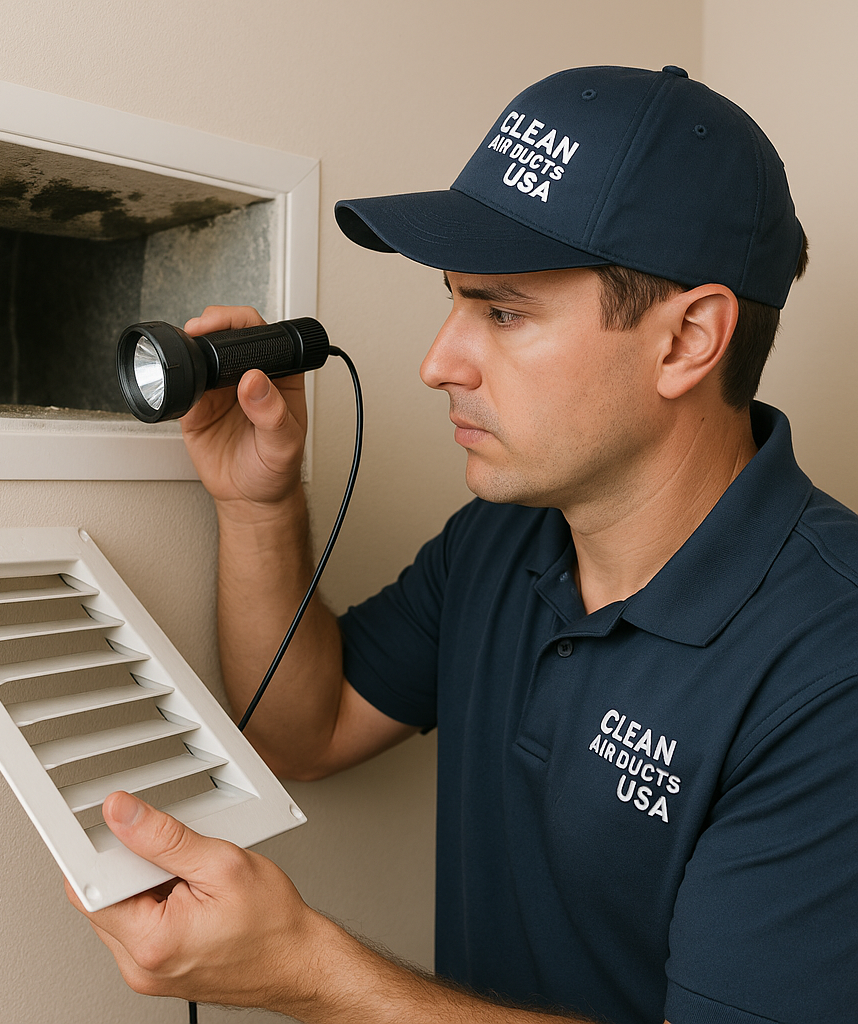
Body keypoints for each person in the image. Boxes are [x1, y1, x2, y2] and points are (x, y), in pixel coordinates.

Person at [66, 65, 858, 1023]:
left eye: (504, 311)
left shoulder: (831, 668)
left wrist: (309, 971)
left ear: (689, 339)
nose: (439, 363)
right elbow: (301, 731)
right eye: (455, 303)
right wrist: (259, 503)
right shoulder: (503, 538)